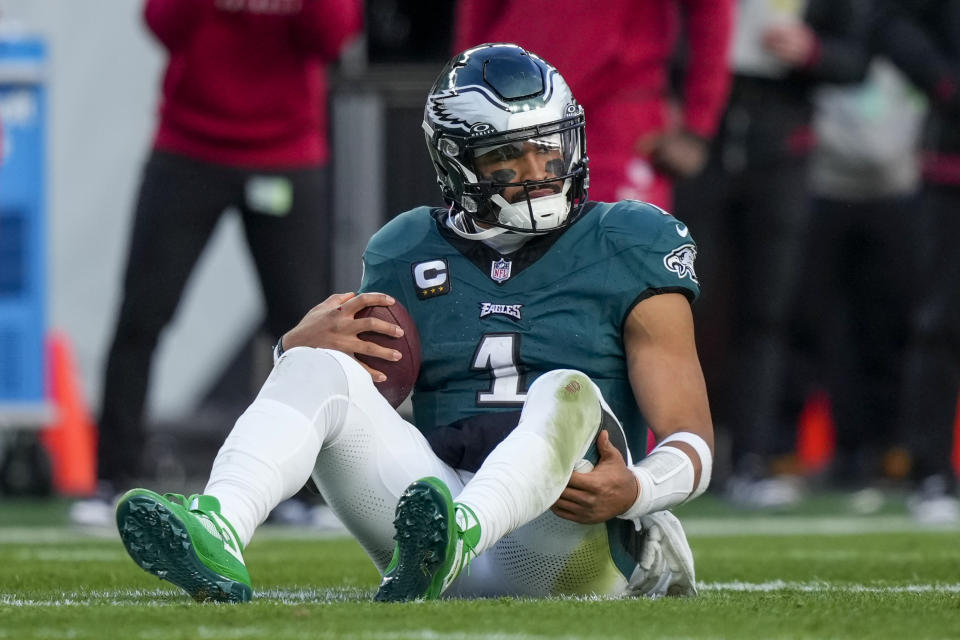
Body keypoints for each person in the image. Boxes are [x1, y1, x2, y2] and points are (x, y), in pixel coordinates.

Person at [114, 44, 714, 602]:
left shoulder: (630, 239)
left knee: (565, 390)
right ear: (457, 162)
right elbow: (367, 408)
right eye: (507, 156)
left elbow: (692, 440)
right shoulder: (407, 248)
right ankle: (221, 523)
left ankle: (459, 532)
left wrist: (636, 489)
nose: (537, 171)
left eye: (548, 147)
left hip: (563, 541)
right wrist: (293, 357)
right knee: (314, 361)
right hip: (426, 528)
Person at [87, 0, 361, 513]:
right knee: (142, 315)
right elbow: (162, 24)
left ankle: (308, 492)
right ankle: (114, 479)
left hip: (285, 149)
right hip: (190, 145)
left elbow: (332, 36)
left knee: (310, 327)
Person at [673, 0, 872, 505]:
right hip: (701, 140)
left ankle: (752, 459)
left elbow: (857, 57)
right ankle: (680, 453)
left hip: (781, 146)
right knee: (682, 305)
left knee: (767, 313)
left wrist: (813, 51)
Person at [453, 0, 733, 212]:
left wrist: (698, 123)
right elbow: (478, 9)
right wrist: (468, 99)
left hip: (615, 118)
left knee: (622, 268)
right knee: (508, 269)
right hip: (513, 111)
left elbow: (711, 11)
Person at [871, 0, 960, 523]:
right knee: (942, 320)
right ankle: (930, 471)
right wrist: (943, 82)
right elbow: (890, 21)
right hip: (952, 165)